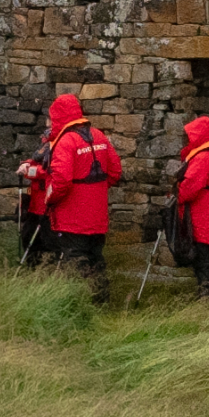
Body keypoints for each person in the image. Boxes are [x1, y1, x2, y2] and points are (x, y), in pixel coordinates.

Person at [39, 91, 125, 297]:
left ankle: (78, 301)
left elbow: (61, 181)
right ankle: (101, 300)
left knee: (75, 260)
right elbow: (115, 172)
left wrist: (49, 199)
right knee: (96, 258)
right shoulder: (99, 135)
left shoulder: (65, 141)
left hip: (72, 216)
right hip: (97, 214)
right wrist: (94, 190)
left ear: (58, 116)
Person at [174, 114, 209, 298]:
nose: (187, 139)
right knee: (205, 257)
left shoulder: (203, 158)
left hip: (202, 218)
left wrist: (175, 196)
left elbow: (189, 187)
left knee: (203, 260)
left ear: (199, 136)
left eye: (190, 135)